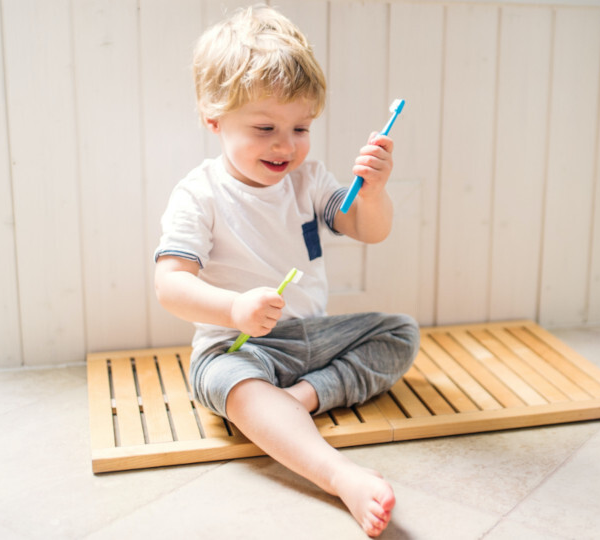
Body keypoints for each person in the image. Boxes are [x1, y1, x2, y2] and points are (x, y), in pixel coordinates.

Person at [152, 5, 419, 537]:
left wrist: (377, 190)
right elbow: (169, 285)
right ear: (213, 117)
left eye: (301, 127)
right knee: (230, 383)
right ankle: (338, 475)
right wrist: (233, 308)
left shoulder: (310, 181)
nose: (286, 145)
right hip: (237, 346)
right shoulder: (199, 194)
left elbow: (369, 229)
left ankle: (296, 402)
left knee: (399, 333)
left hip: (309, 338)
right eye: (265, 128)